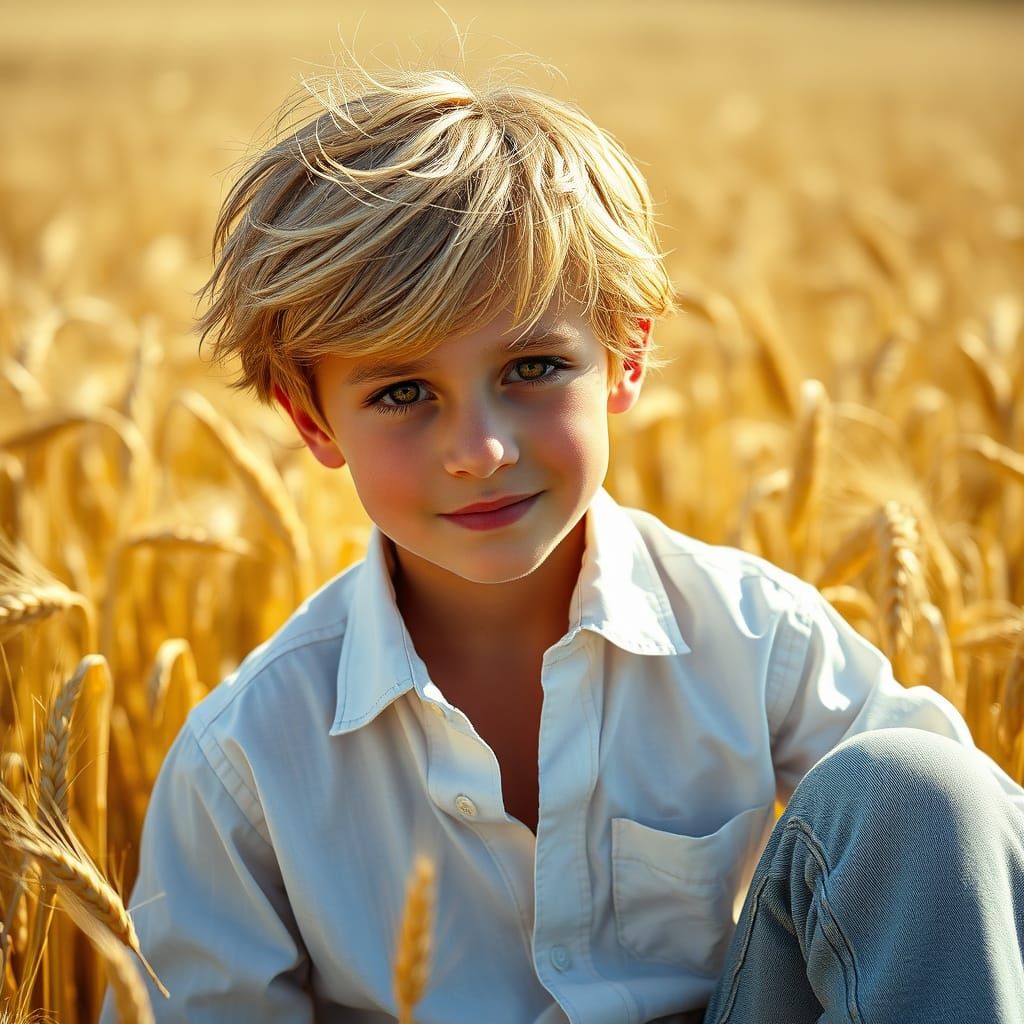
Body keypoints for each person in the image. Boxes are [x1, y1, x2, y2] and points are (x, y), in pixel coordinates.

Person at [102, 63, 1024, 1023]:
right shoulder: (244, 761)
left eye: (533, 367)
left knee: (921, 792)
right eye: (402, 393)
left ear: (625, 355)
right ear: (314, 422)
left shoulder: (757, 637)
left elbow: (976, 880)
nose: (481, 450)